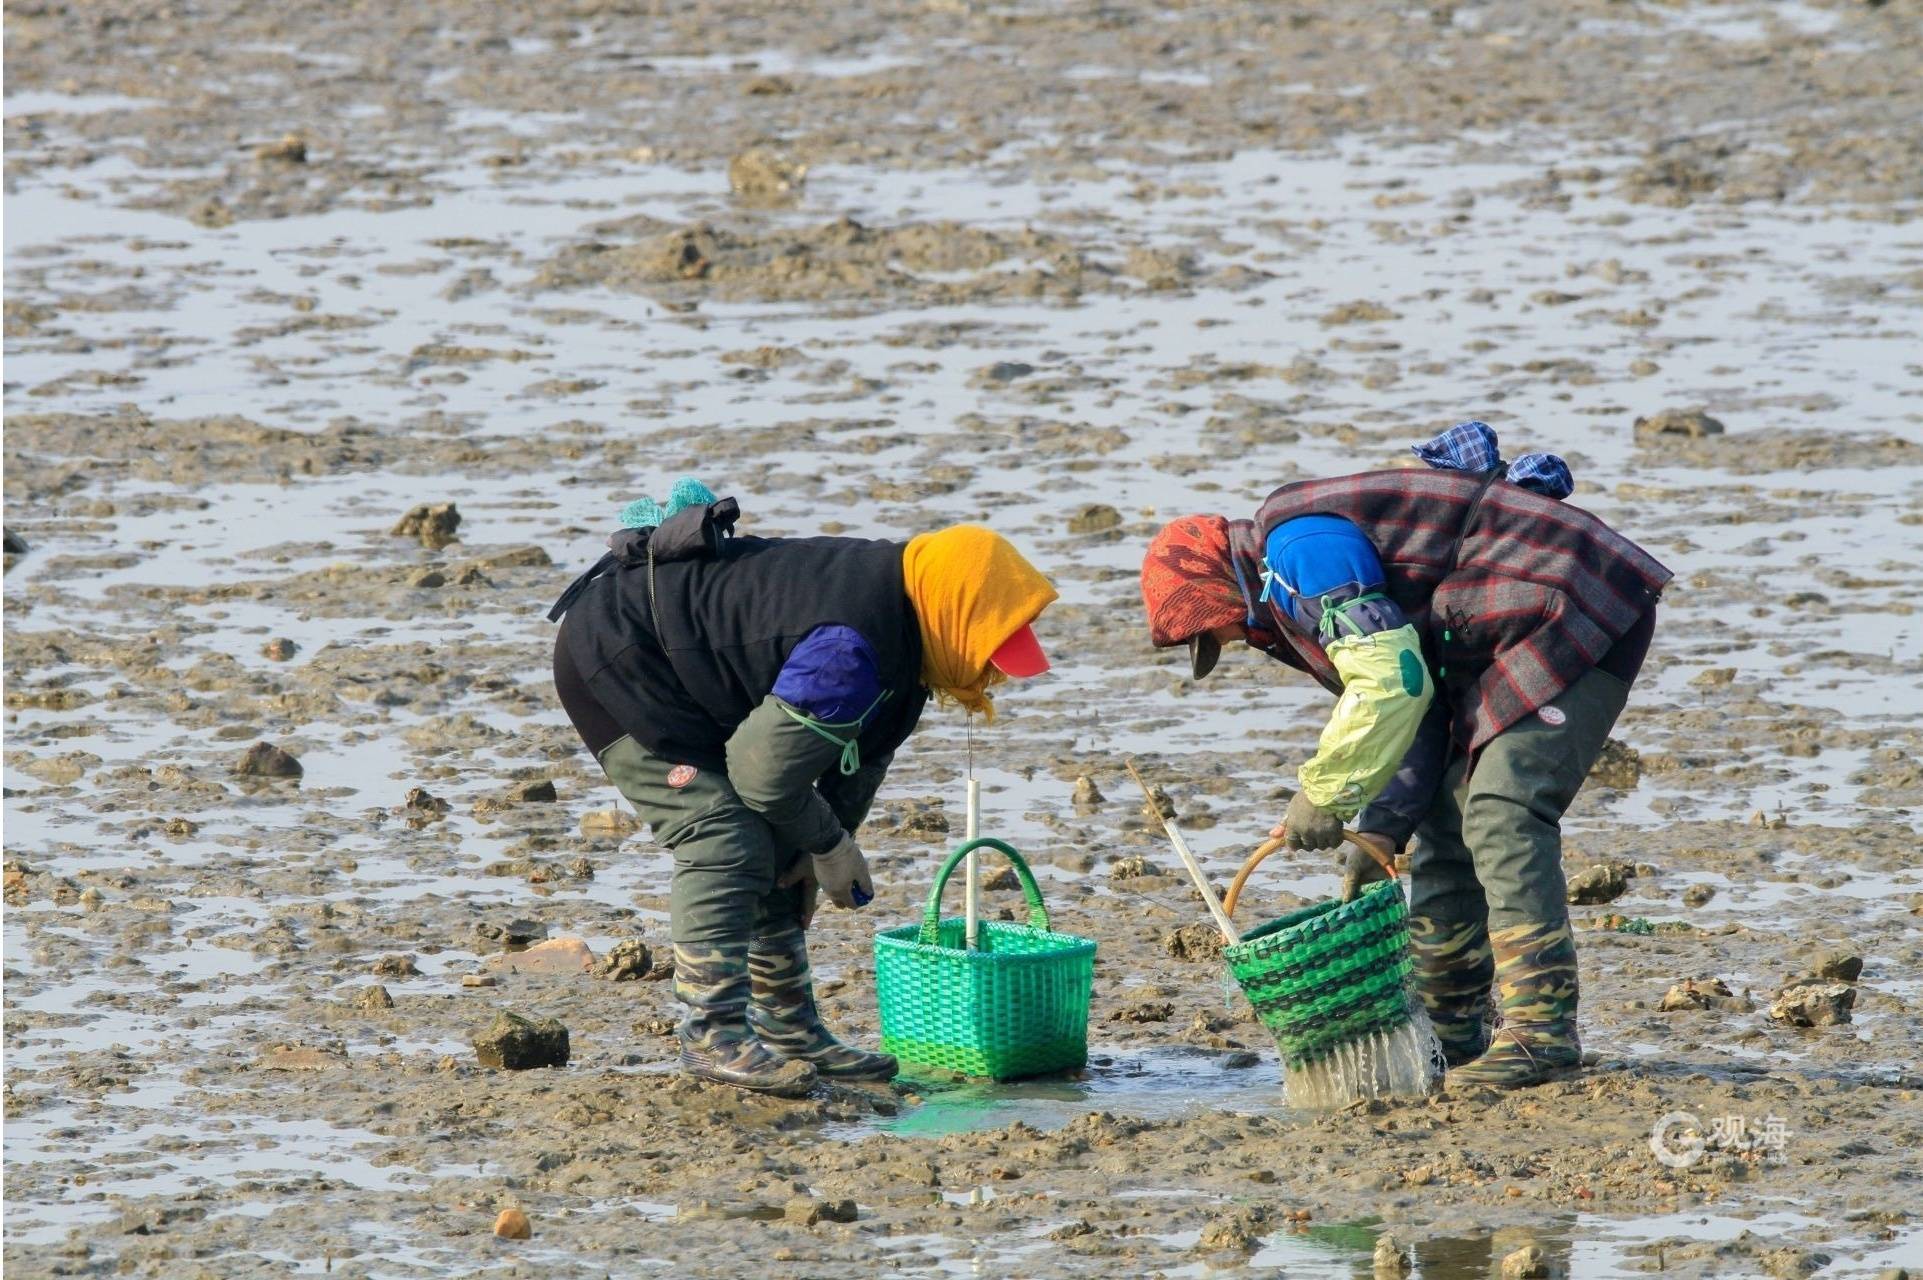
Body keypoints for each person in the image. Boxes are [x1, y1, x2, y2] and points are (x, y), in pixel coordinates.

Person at [1138, 424, 1669, 1089]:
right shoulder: (1287, 599)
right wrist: (1383, 829)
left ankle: (1541, 1035)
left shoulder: (1300, 550)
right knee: (1447, 819)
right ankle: (1454, 1034)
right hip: (1492, 637)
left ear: (1217, 583)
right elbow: (1416, 711)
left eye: (1205, 627)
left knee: (1502, 810)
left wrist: (1325, 794)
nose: (1223, 641)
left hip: (1569, 603)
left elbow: (1393, 683)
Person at [548, 481, 1057, 1097]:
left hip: (698, 670)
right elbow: (762, 775)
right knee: (723, 834)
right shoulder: (852, 647)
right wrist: (831, 846)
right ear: (956, 608)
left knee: (781, 848)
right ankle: (713, 1034)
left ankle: (790, 1030)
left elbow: (854, 764)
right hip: (620, 656)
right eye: (989, 646)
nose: (992, 672)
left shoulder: (911, 638)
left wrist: (814, 853)